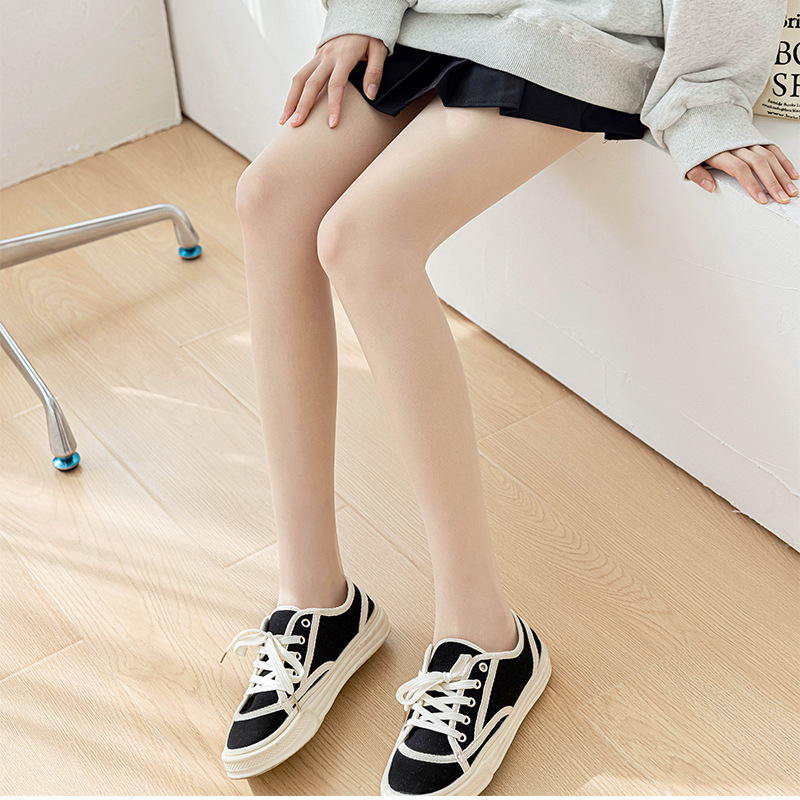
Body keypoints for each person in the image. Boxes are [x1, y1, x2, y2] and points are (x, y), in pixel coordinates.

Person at [219, 1, 798, 795]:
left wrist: (706, 97)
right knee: (268, 200)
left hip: (578, 30)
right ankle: (316, 599)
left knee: (364, 240)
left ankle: (485, 635)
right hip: (434, 13)